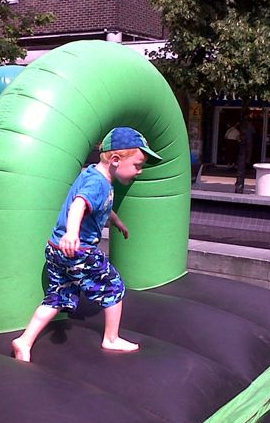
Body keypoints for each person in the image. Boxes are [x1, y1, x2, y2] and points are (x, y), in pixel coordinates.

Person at [12, 127, 161, 362]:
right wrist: (72, 233)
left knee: (57, 296)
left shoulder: (93, 174)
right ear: (115, 160)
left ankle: (24, 341)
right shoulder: (98, 183)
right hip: (78, 250)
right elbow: (79, 204)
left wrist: (117, 221)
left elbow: (101, 206)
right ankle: (111, 338)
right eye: (137, 165)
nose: (139, 171)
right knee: (114, 287)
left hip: (57, 249)